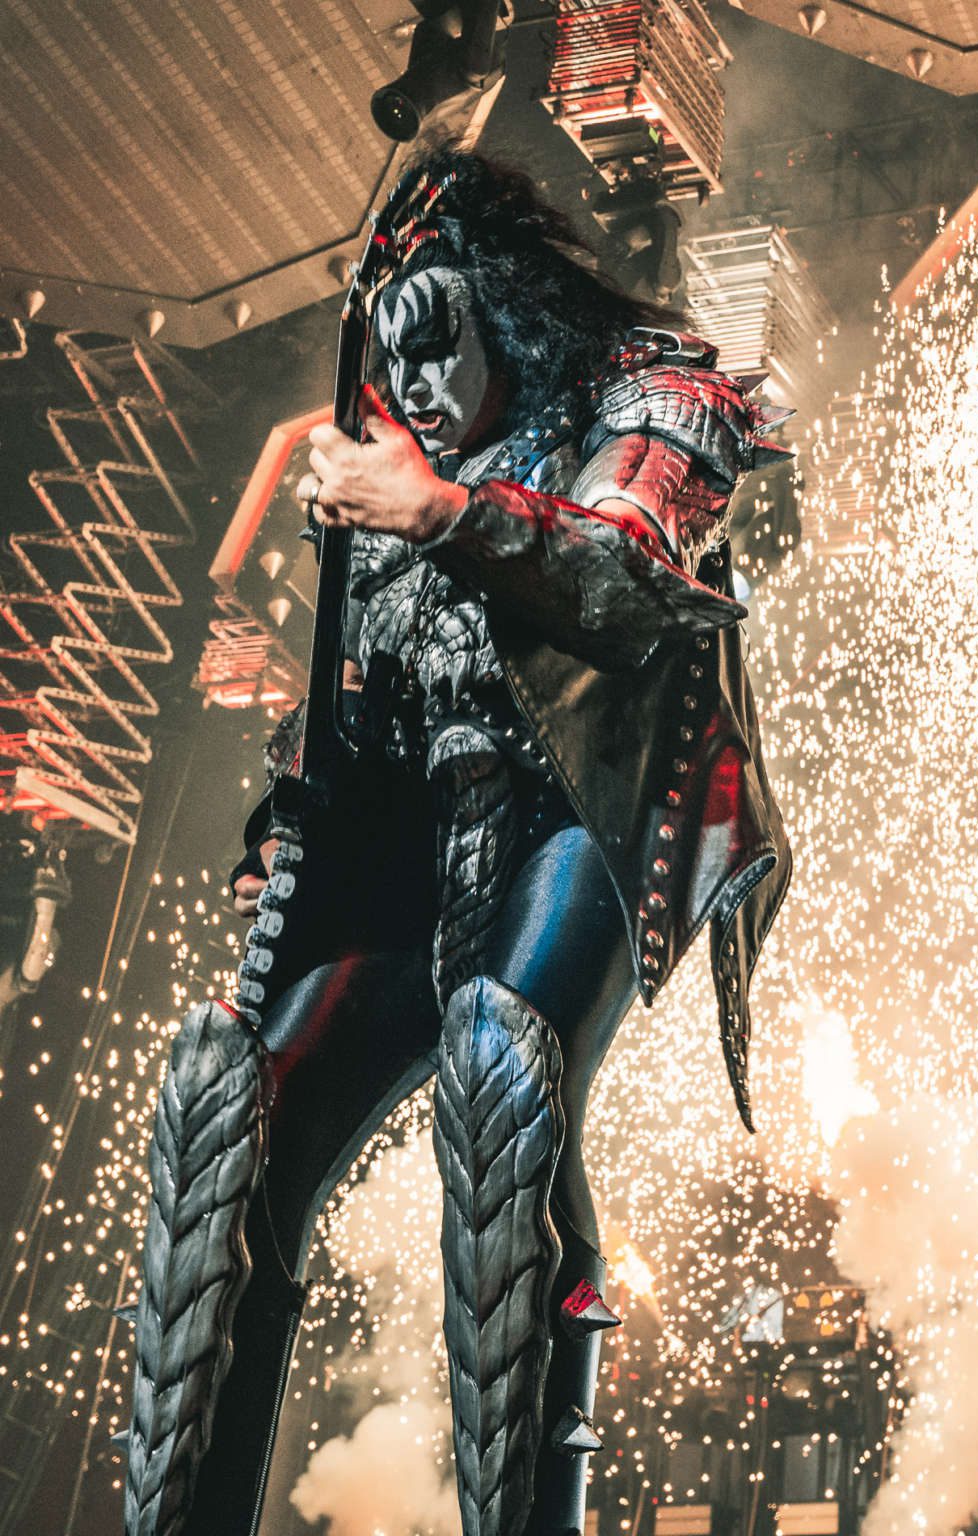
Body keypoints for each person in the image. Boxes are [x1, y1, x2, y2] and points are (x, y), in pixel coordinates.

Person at [122, 148, 792, 1536]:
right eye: (393, 354)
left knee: (501, 1071)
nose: (416, 385)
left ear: (500, 302)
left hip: (578, 819)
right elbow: (341, 742)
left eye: (436, 339)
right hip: (421, 845)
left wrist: (441, 512)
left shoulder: (642, 388)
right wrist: (280, 874)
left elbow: (625, 575)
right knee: (221, 1125)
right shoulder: (385, 483)